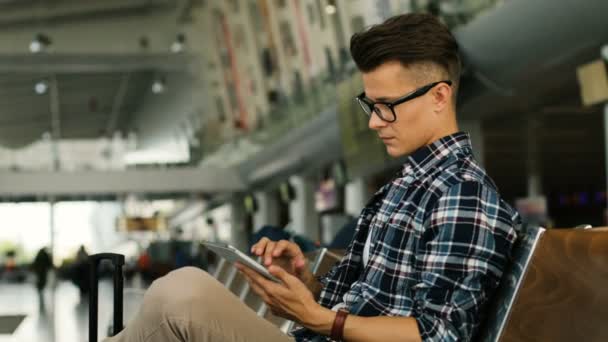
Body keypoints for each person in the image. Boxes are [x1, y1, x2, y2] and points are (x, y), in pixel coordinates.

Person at [105, 13, 519, 342]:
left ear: (439, 96)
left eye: (386, 105)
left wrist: (321, 321)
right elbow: (353, 301)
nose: (375, 122)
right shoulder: (404, 188)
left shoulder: (463, 195)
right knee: (177, 296)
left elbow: (440, 335)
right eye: (369, 104)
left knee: (182, 296)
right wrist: (304, 281)